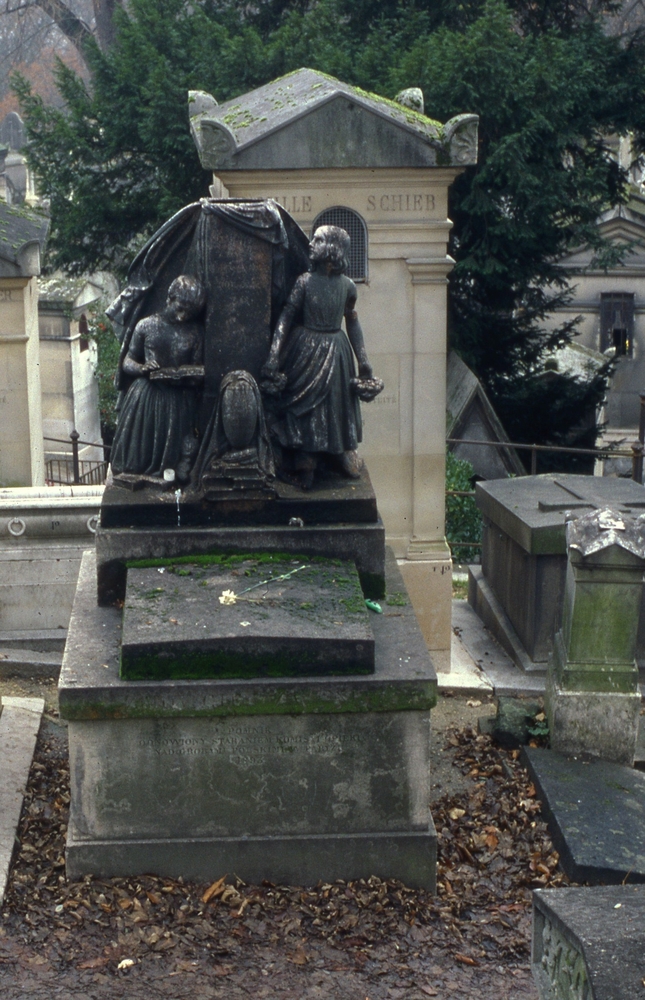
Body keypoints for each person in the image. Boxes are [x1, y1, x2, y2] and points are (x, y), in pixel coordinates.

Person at [261, 225, 380, 488]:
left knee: (335, 406)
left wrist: (364, 361)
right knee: (303, 406)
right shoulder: (304, 282)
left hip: (337, 350)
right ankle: (306, 462)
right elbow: (286, 316)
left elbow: (353, 323)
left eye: (317, 239)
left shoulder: (348, 287)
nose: (311, 243)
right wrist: (273, 354)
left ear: (332, 249)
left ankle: (337, 453)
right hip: (305, 349)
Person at [110, 275, 206, 482]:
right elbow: (127, 361)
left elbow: (197, 369)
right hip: (146, 395)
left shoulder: (195, 332)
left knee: (176, 450)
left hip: (178, 398)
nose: (182, 317)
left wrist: (187, 375)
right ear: (169, 299)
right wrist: (143, 368)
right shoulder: (146, 326)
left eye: (189, 313)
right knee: (139, 454)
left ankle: (170, 472)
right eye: (180, 308)